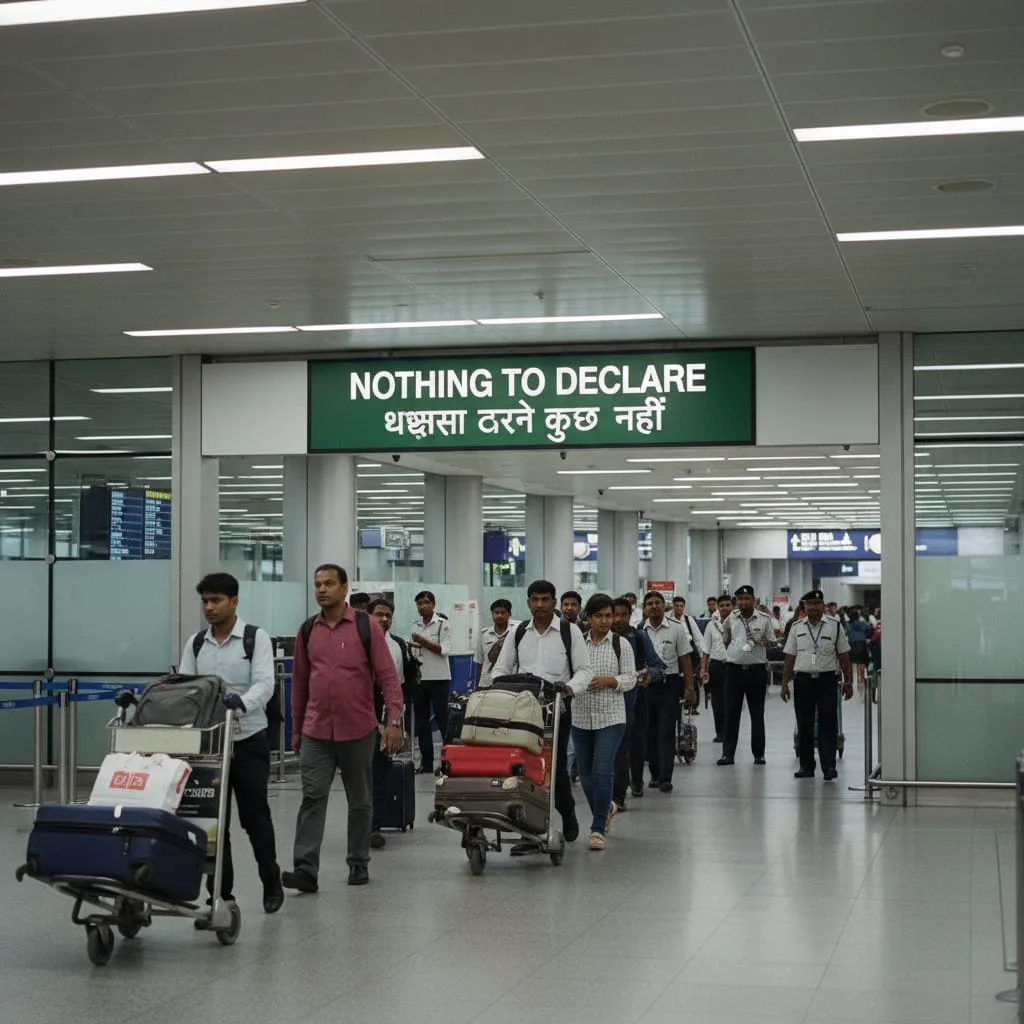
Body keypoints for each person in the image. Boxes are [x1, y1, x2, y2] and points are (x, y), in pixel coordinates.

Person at [284, 564, 404, 892]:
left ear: (344, 587)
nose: (322, 589)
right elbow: (300, 682)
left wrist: (393, 721)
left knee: (361, 800)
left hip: (358, 729)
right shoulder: (307, 630)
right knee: (312, 798)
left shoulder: (366, 626)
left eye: (328, 583)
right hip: (316, 730)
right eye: (317, 584)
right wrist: (297, 728)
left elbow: (388, 676)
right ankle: (305, 869)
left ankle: (358, 862)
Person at [179, 572, 283, 914]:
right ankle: (220, 895)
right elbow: (187, 685)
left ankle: (271, 880)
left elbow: (265, 683)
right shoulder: (197, 643)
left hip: (248, 740)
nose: (209, 607)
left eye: (216, 600)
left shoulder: (255, 638)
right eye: (205, 601)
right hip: (210, 746)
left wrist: (241, 703)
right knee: (213, 821)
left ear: (234, 601)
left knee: (255, 818)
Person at [492, 579, 592, 844]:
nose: (540, 604)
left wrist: (569, 688)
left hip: (556, 710)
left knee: (554, 768)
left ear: (554, 602)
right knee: (523, 768)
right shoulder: (518, 632)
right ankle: (529, 829)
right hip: (522, 713)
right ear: (528, 603)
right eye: (535, 599)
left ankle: (567, 812)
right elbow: (501, 668)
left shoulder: (570, 632)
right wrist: (500, 687)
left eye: (545, 599)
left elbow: (585, 671)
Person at [574, 594, 636, 851]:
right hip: (580, 716)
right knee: (586, 777)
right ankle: (607, 807)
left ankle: (597, 828)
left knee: (602, 770)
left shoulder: (621, 644)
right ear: (589, 618)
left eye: (608, 616)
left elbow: (631, 678)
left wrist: (609, 681)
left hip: (611, 717)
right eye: (599, 616)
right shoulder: (577, 643)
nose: (605, 621)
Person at [781, 589, 853, 781]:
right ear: (805, 606)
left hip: (827, 680)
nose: (813, 607)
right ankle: (806, 766)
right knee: (804, 724)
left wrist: (849, 681)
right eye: (810, 603)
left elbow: (844, 655)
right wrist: (784, 683)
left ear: (823, 606)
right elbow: (790, 656)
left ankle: (828, 766)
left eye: (817, 603)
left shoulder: (835, 626)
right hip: (803, 681)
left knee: (828, 724)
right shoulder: (796, 627)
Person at [368, 598, 417, 849]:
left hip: (386, 715)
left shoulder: (397, 645)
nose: (384, 619)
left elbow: (398, 686)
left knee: (381, 770)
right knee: (360, 775)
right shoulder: (359, 641)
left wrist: (395, 722)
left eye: (388, 615)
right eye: (379, 614)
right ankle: (361, 824)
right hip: (360, 713)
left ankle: (374, 826)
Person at [611, 597, 665, 807]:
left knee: (635, 742)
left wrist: (649, 674)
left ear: (630, 615)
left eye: (623, 615)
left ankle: (636, 782)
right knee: (616, 746)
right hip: (608, 698)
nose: (618, 619)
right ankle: (617, 788)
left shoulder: (639, 637)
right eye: (615, 614)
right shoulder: (599, 637)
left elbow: (658, 666)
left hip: (636, 697)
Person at [642, 591, 696, 792]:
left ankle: (665, 777)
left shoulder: (676, 628)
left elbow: (686, 659)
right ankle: (655, 775)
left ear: (664, 605)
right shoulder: (640, 630)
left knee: (666, 731)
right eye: (650, 603)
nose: (654, 606)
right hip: (647, 686)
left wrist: (689, 688)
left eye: (657, 603)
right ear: (644, 608)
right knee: (650, 732)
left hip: (670, 685)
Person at [717, 584, 774, 767]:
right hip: (734, 672)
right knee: (731, 714)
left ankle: (759, 754)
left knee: (757, 714)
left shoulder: (764, 619)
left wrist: (762, 641)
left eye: (746, 598)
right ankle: (727, 754)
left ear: (753, 600)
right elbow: (726, 639)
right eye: (740, 599)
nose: (743, 602)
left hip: (756, 672)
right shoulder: (731, 618)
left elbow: (772, 642)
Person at [410, 590, 451, 774]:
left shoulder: (442, 624)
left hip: (440, 678)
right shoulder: (415, 625)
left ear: (433, 604)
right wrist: (413, 647)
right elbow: (416, 648)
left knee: (443, 720)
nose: (423, 606)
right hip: (420, 678)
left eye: (426, 602)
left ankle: (448, 762)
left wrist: (423, 642)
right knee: (422, 722)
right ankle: (426, 763)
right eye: (419, 603)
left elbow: (444, 649)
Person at [699, 593, 732, 743]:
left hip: (733, 666)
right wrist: (703, 669)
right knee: (717, 702)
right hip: (717, 666)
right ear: (718, 607)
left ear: (732, 606)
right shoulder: (712, 625)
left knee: (732, 701)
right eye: (722, 605)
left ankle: (731, 731)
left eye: (727, 605)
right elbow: (705, 649)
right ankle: (720, 732)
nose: (725, 608)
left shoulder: (738, 623)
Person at [474, 598, 516, 689]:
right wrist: (477, 687)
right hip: (487, 683)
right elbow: (480, 663)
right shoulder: (484, 635)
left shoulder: (515, 632)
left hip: (509, 683)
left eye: (503, 612)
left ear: (509, 614)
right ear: (492, 614)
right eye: (496, 612)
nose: (499, 615)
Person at [845, 608, 872, 692]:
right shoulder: (863, 624)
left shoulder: (847, 624)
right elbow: (868, 632)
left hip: (851, 645)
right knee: (862, 664)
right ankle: (861, 682)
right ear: (858, 616)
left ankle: (851, 682)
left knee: (851, 664)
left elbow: (846, 633)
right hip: (862, 645)